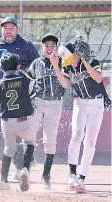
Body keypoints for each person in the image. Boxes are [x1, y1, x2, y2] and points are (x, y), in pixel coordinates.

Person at [0, 16, 39, 177]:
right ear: (2, 30)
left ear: (17, 30)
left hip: (19, 93)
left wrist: (23, 74)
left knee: (18, 127)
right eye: (5, 28)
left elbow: (37, 65)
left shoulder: (26, 45)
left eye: (11, 28)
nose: (8, 31)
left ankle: (19, 165)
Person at [57, 39, 106, 193]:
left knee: (90, 142)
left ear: (77, 54)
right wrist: (55, 66)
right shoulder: (66, 65)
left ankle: (81, 179)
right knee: (77, 135)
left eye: (71, 59)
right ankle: (72, 175)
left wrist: (85, 62)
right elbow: (65, 84)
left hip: (96, 103)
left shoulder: (92, 60)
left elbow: (98, 79)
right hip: (79, 102)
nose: (69, 62)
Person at [24, 34, 67, 190]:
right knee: (30, 134)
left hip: (55, 102)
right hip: (38, 101)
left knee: (50, 139)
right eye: (46, 46)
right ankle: (26, 170)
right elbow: (28, 82)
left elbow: (66, 85)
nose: (49, 49)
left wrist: (56, 66)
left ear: (56, 47)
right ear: (42, 48)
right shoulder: (36, 63)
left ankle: (46, 176)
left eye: (52, 46)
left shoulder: (63, 63)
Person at [0, 53, 36, 191]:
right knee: (29, 142)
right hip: (24, 120)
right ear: (18, 67)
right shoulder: (26, 80)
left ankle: (3, 181)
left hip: (7, 122)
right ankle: (25, 168)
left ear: (2, 68)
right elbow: (33, 96)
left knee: (9, 150)